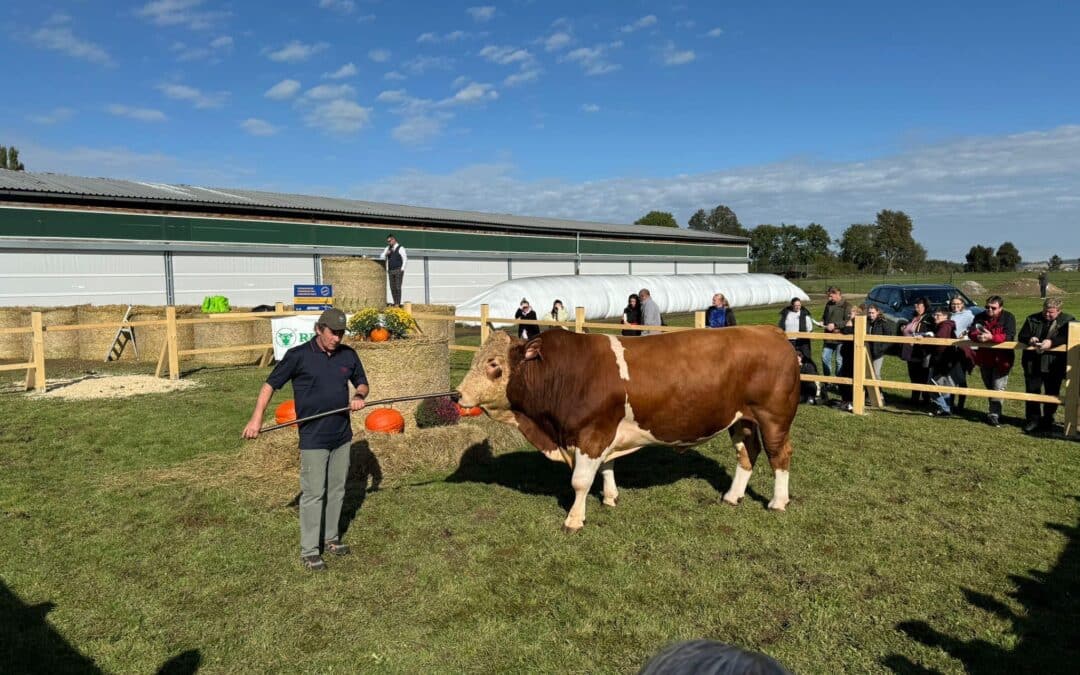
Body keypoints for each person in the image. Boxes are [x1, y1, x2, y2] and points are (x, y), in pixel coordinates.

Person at [242, 308, 368, 572]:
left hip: (342, 435)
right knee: (314, 493)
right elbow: (269, 386)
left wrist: (358, 396)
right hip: (313, 436)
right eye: (333, 333)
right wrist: (256, 419)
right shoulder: (298, 356)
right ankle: (310, 550)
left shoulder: (348, 354)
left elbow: (362, 381)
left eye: (341, 333)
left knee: (337, 489)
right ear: (319, 329)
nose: (337, 338)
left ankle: (331, 539)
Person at [1018, 297, 1074, 433]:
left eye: (1051, 312)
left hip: (1054, 364)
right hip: (1033, 362)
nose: (1047, 314)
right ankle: (1033, 419)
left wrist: (1051, 342)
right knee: (1032, 391)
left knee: (1052, 392)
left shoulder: (1068, 320)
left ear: (1059, 311)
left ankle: (1048, 419)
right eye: (1045, 311)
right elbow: (1022, 335)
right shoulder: (1032, 318)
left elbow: (1067, 336)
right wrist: (1029, 339)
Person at [968, 295, 1016, 427]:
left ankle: (994, 415)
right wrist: (978, 337)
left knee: (998, 387)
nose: (989, 310)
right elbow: (971, 331)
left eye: (993, 308)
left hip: (1002, 359)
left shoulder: (1008, 317)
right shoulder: (980, 317)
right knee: (990, 387)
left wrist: (992, 337)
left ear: (1000, 308)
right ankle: (993, 411)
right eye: (987, 307)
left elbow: (1009, 335)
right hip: (985, 358)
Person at [900, 297, 935, 405]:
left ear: (925, 306)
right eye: (915, 305)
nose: (916, 306)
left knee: (923, 376)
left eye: (918, 305)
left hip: (921, 352)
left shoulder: (928, 319)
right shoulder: (914, 318)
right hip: (910, 351)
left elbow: (930, 333)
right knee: (913, 375)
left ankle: (926, 399)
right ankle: (914, 398)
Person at [926, 306, 959, 417]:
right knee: (944, 387)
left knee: (932, 385)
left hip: (942, 360)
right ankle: (946, 409)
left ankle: (944, 408)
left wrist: (930, 339)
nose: (935, 317)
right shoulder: (944, 325)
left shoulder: (945, 326)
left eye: (938, 315)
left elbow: (940, 344)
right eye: (934, 315)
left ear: (945, 316)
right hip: (945, 360)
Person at [948, 296, 976, 412]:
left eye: (958, 304)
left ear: (962, 304)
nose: (955, 306)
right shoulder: (949, 315)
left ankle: (960, 405)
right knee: (950, 378)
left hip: (961, 350)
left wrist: (967, 333)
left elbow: (975, 327)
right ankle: (950, 403)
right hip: (949, 350)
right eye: (953, 304)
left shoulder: (968, 315)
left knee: (960, 377)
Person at [820, 286, 852, 385]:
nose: (830, 298)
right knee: (825, 358)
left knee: (839, 361)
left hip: (840, 339)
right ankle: (827, 382)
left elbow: (848, 321)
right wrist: (822, 321)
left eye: (831, 296)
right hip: (828, 338)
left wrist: (835, 325)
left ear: (838, 294)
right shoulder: (828, 304)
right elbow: (824, 316)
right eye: (829, 296)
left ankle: (839, 382)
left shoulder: (847, 305)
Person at [834, 305, 861, 413]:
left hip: (854, 354)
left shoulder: (857, 324)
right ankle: (845, 400)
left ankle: (851, 401)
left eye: (852, 313)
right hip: (846, 354)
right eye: (850, 313)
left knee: (851, 377)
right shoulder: (850, 323)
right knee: (843, 377)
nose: (849, 315)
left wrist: (850, 321)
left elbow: (847, 330)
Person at [778, 297, 814, 363]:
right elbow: (781, 326)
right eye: (796, 305)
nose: (798, 307)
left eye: (799, 305)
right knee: (788, 359)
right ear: (792, 305)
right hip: (789, 340)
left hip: (801, 341)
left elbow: (809, 328)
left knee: (803, 359)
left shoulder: (805, 315)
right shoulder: (786, 314)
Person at [379, 234, 408, 307]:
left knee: (398, 287)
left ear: (394, 240)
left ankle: (398, 303)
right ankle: (395, 302)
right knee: (392, 287)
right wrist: (386, 253)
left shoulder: (400, 248)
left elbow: (405, 259)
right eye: (388, 241)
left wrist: (402, 269)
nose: (388, 243)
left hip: (398, 269)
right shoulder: (388, 248)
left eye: (389, 241)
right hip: (391, 270)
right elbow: (381, 256)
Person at [865, 303, 890, 381]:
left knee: (876, 373)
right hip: (867, 352)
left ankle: (879, 392)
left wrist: (881, 349)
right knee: (867, 373)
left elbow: (889, 337)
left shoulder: (882, 322)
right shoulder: (866, 322)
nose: (871, 315)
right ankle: (867, 392)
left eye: (873, 313)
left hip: (878, 353)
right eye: (869, 313)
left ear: (877, 312)